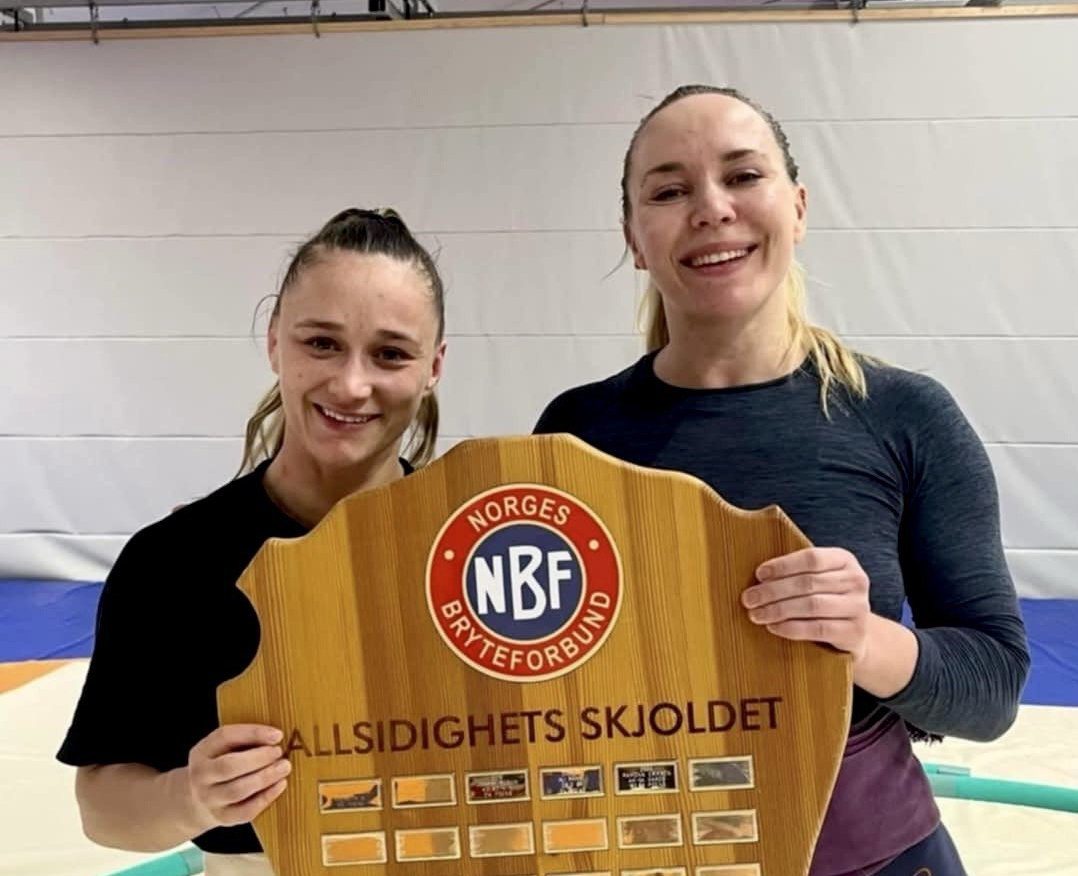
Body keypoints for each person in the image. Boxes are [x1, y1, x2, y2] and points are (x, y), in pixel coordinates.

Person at [534, 85, 1030, 876]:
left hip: (873, 854)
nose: (711, 208)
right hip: (648, 847)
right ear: (634, 238)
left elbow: (991, 688)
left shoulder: (905, 417)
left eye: (743, 176)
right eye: (669, 191)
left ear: (797, 208)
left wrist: (862, 638)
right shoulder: (576, 434)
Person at [57, 208, 447, 876]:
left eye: (390, 354)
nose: (352, 384)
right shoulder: (174, 563)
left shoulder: (480, 548)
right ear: (274, 343)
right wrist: (191, 798)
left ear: (433, 366)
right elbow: (102, 809)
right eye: (321, 343)